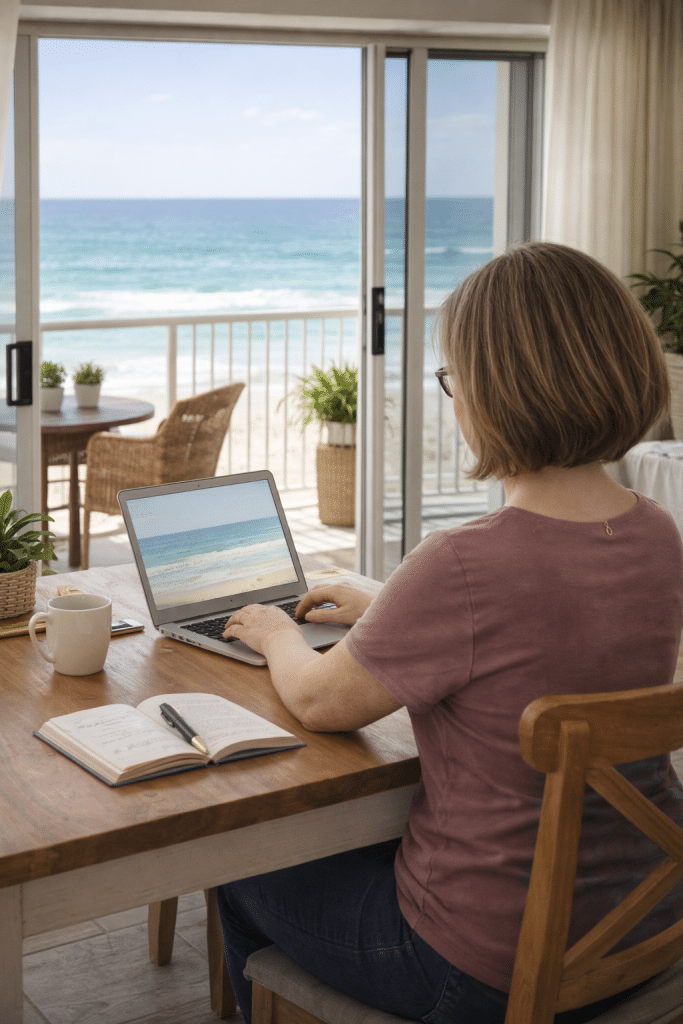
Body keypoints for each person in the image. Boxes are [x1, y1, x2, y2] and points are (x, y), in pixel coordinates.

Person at [218, 242, 683, 1024]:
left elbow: (320, 703)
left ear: (496, 394)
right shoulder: (656, 534)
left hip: (475, 969)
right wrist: (386, 604)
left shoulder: (464, 564)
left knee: (240, 865)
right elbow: (550, 628)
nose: (454, 399)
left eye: (453, 381)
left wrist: (272, 632)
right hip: (641, 921)